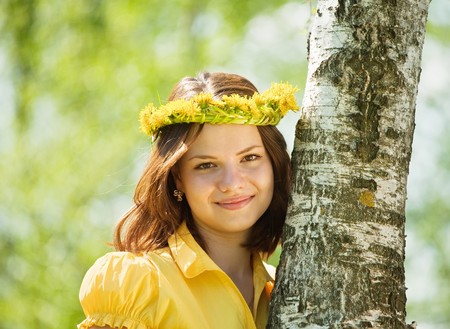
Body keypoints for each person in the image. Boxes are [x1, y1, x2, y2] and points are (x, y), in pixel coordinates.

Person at [78, 72, 299, 329]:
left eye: (249, 158)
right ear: (178, 178)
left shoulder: (289, 289)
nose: (232, 183)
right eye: (206, 165)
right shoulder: (142, 285)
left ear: (274, 163)